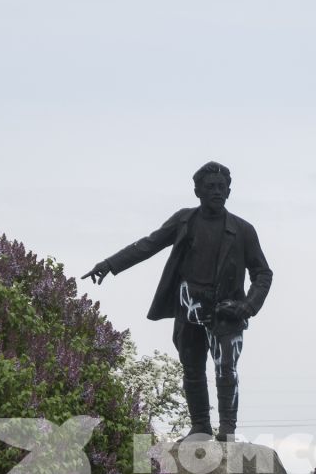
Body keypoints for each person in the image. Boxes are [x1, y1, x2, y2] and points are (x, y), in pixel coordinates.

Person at [82, 161, 273, 442]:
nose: (217, 192)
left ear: (230, 191)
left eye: (222, 187)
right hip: (190, 308)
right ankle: (200, 426)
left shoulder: (243, 230)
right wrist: (111, 264)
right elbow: (149, 244)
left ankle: (228, 429)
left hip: (226, 312)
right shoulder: (185, 221)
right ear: (198, 191)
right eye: (210, 187)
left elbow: (262, 273)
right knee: (192, 367)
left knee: (225, 367)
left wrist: (248, 306)